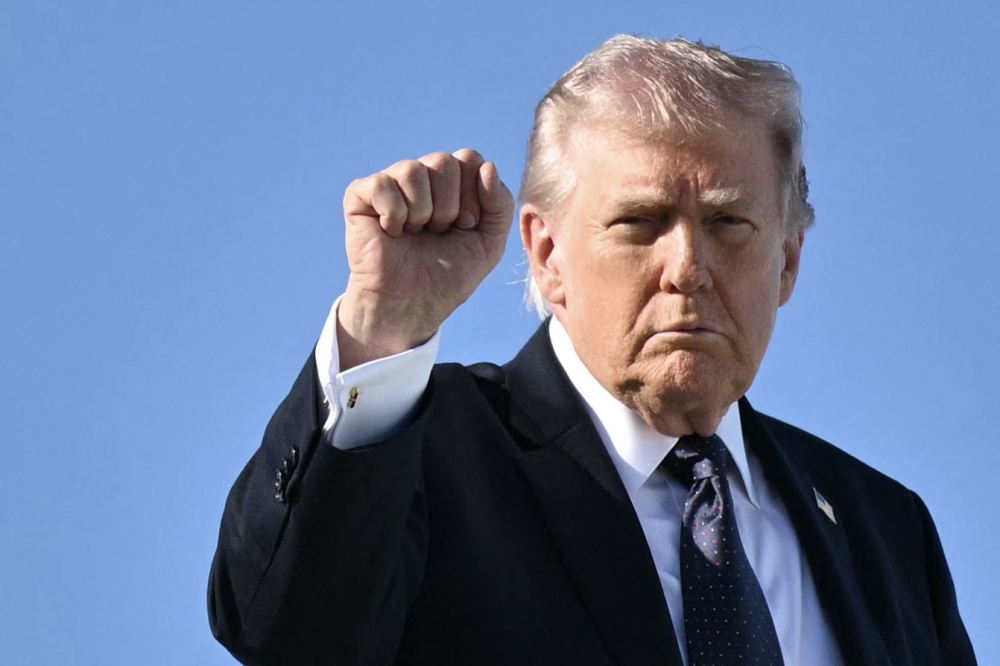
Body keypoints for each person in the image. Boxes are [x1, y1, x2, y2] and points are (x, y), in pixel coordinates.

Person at [208, 36, 977, 666]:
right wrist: (383, 328)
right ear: (546, 255)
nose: (687, 268)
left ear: (788, 261)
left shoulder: (886, 531)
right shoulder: (426, 453)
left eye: (729, 223)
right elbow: (291, 634)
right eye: (640, 222)